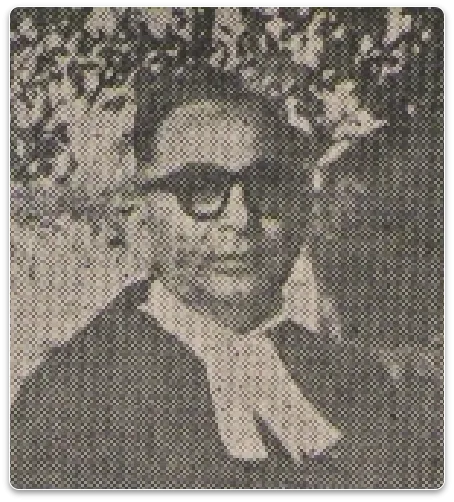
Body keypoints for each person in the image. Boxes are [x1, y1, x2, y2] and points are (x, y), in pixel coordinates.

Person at [10, 65, 443, 489]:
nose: (240, 218)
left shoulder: (361, 382)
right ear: (142, 214)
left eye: (266, 184)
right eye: (200, 188)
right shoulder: (71, 405)